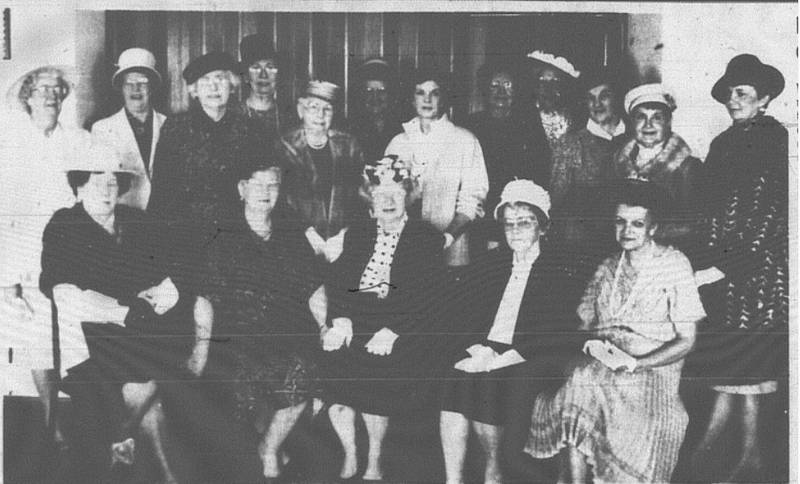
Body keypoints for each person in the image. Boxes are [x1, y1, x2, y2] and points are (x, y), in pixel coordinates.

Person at [39, 144, 212, 483]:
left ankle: (125, 445)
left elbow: (169, 277)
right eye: (96, 180)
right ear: (79, 185)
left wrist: (157, 298)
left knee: (150, 386)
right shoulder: (64, 224)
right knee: (148, 389)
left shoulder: (136, 222)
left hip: (141, 329)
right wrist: (124, 310)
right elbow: (63, 293)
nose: (107, 189)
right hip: (90, 338)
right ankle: (142, 457)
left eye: (113, 182)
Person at [526, 179, 706, 484]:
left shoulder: (674, 264)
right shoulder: (608, 265)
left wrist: (636, 363)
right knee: (582, 381)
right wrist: (593, 346)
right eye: (620, 222)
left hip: (653, 370)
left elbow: (687, 340)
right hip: (605, 363)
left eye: (637, 223)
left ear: (653, 227)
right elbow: (585, 326)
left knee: (586, 384)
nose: (627, 231)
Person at [439, 180, 583, 484]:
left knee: (489, 383)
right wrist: (479, 349)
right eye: (508, 224)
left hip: (534, 352)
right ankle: (453, 479)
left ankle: (493, 469)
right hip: (490, 347)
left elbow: (555, 329)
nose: (515, 230)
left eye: (524, 223)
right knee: (454, 379)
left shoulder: (559, 267)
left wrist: (501, 358)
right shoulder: (492, 262)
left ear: (542, 227)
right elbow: (469, 316)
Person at [690, 54, 788, 483]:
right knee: (734, 362)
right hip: (722, 274)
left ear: (764, 98)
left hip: (757, 277)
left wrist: (726, 268)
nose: (733, 100)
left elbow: (770, 217)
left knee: (749, 359)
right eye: (730, 92)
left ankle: (749, 458)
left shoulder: (774, 140)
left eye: (743, 93)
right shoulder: (723, 143)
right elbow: (706, 208)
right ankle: (744, 457)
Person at [320, 156, 444, 480]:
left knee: (378, 371)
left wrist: (394, 329)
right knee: (332, 360)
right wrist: (340, 320)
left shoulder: (425, 237)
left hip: (400, 324)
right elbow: (337, 281)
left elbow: (428, 297)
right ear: (370, 199)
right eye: (380, 193)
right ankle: (350, 452)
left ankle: (374, 458)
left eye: (396, 192)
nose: (388, 200)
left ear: (409, 196)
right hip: (357, 318)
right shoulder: (358, 233)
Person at [204, 154, 324, 479]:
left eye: (272, 184)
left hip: (287, 330)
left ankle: (268, 448)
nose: (265, 190)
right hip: (236, 333)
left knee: (303, 370)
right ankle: (264, 443)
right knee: (243, 385)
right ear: (241, 189)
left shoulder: (290, 233)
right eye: (257, 184)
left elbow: (313, 287)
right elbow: (208, 297)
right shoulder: (222, 234)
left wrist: (325, 324)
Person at [0, 64, 90, 450]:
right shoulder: (12, 145)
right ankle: (51, 424)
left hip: (71, 250)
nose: (50, 96)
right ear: (28, 97)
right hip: (27, 252)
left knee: (74, 336)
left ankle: (86, 422)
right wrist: (7, 275)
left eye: (57, 89)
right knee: (37, 339)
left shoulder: (78, 140)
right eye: (42, 90)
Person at [149, 51, 259, 277]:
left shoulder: (248, 129)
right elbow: (162, 192)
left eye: (220, 79)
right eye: (205, 81)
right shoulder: (176, 129)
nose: (214, 87)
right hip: (187, 239)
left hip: (236, 236)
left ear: (232, 85)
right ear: (194, 91)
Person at [384, 69, 488, 271]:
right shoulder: (398, 142)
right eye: (420, 92)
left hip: (451, 253)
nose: (427, 99)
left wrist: (445, 239)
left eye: (435, 93)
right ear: (412, 100)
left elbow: (472, 200)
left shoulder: (465, 140)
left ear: (444, 99)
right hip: (402, 253)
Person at [463, 61, 551, 253]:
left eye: (507, 85)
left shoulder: (528, 126)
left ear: (516, 91)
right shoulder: (471, 126)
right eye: (494, 86)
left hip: (516, 216)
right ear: (485, 90)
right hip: (479, 216)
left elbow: (541, 172)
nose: (500, 92)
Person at [611, 84, 704, 258]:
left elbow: (695, 224)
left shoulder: (688, 168)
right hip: (624, 255)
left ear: (668, 122)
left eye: (657, 117)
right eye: (641, 117)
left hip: (669, 257)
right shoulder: (617, 161)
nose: (648, 125)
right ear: (632, 122)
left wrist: (650, 232)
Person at [278, 80, 366, 262]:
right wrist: (309, 234)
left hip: (343, 242)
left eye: (327, 109)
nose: (321, 115)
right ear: (301, 110)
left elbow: (361, 196)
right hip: (298, 242)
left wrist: (343, 235)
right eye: (313, 107)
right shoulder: (284, 146)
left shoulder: (349, 145)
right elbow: (280, 202)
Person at [91, 48, 167, 209]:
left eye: (143, 82)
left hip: (164, 218)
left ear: (152, 87)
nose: (136, 89)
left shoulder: (169, 125)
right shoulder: (103, 129)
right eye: (129, 83)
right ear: (121, 88)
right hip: (125, 218)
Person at [348, 58, 403, 163]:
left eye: (381, 91)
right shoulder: (350, 127)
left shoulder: (403, 126)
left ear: (391, 95)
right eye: (369, 91)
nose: (375, 97)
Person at [525, 50, 581, 147]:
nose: (548, 88)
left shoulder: (573, 116)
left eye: (553, 82)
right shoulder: (526, 115)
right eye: (543, 81)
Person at [239, 33, 287, 142]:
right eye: (256, 67)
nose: (263, 75)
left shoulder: (290, 115)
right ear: (246, 76)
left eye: (270, 67)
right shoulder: (232, 115)